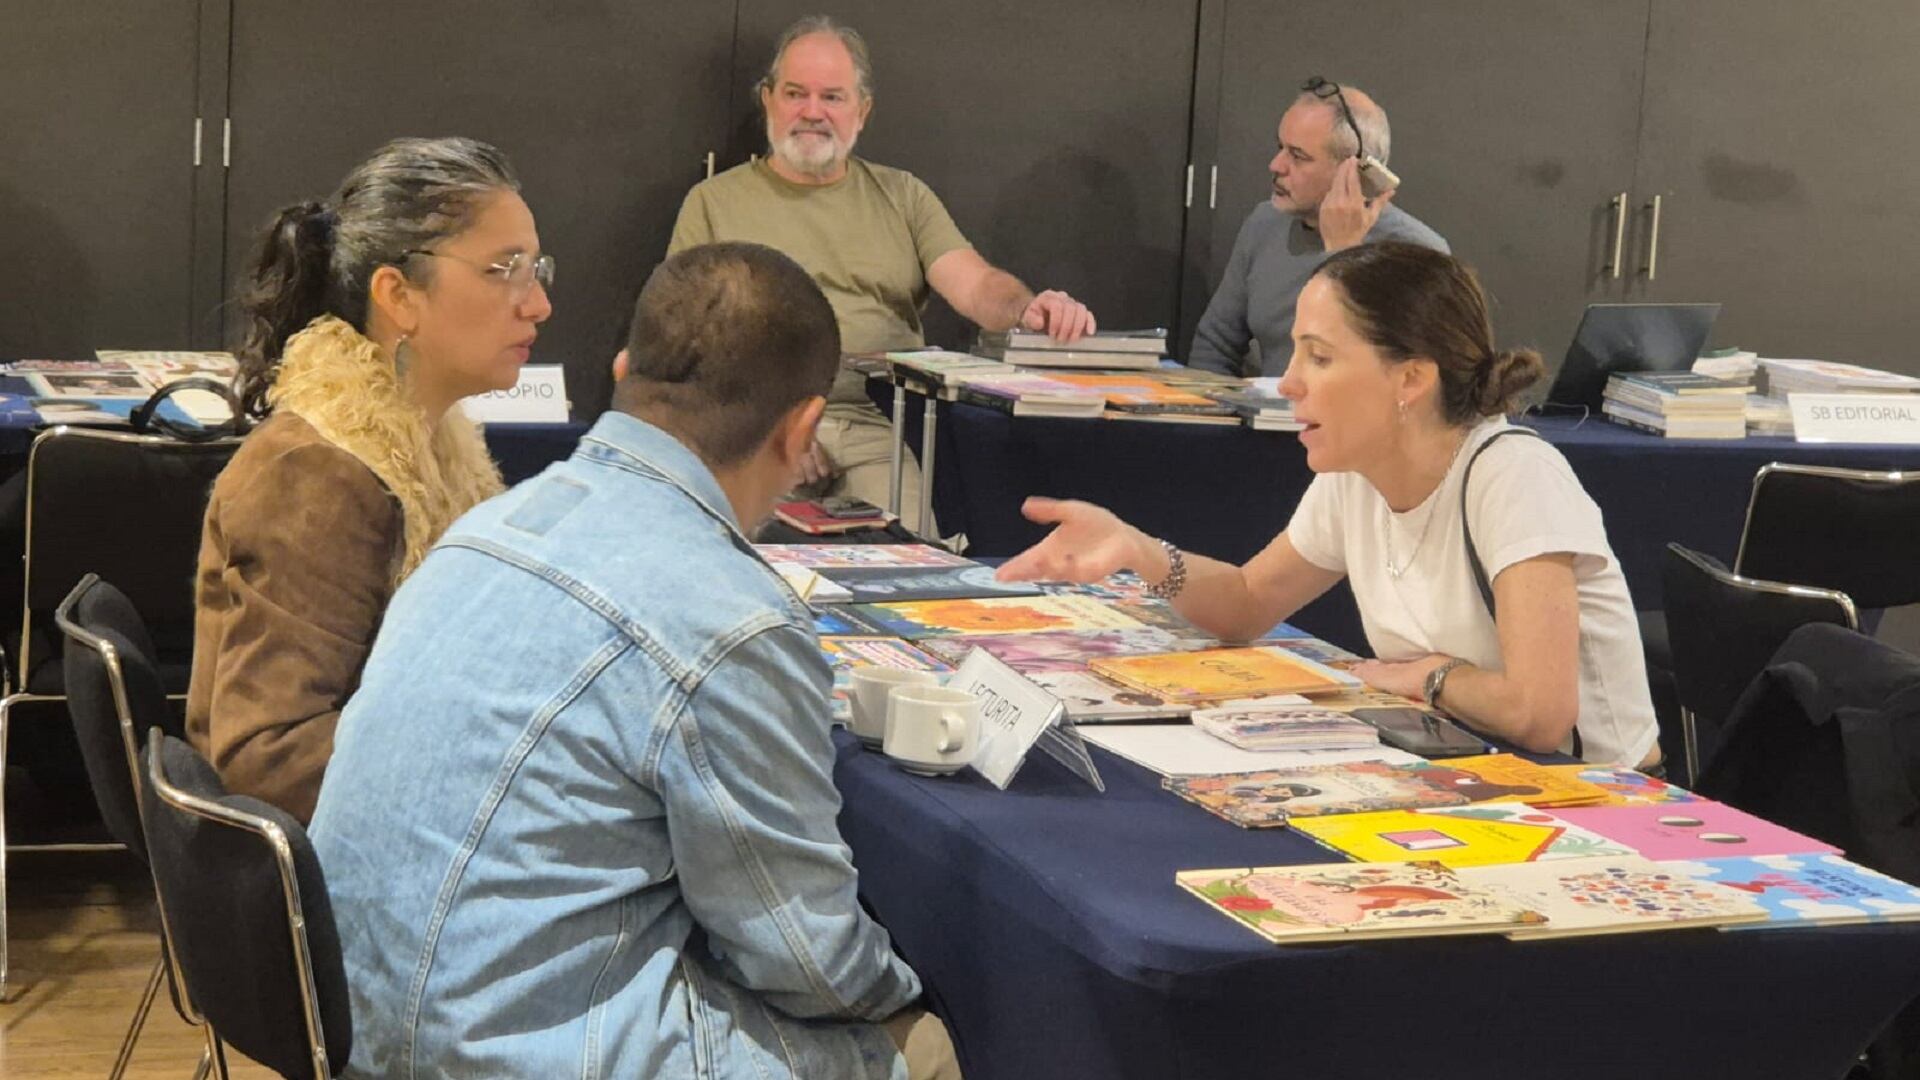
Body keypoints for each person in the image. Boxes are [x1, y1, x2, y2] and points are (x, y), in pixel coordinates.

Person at [310, 242, 961, 1079]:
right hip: (481, 1049)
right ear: (803, 430)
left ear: (623, 370)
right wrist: (928, 989)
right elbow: (804, 958)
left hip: (344, 1018)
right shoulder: (733, 619)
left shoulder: (484, 528)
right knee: (935, 1045)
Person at [1000, 242, 1660, 768]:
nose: (1288, 382)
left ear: (1411, 378)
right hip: (1470, 771)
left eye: (1318, 357)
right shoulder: (1356, 477)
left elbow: (1540, 715)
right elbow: (1246, 603)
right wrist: (1138, 550)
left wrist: (1429, 678)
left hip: (1605, 800)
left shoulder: (1513, 477)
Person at [186, 136, 552, 821]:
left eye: (537, 270)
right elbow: (265, 756)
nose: (537, 305)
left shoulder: (431, 446)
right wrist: (507, 764)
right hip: (348, 885)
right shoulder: (318, 472)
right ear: (398, 295)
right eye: (505, 270)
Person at [669, 15, 1095, 514]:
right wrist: (765, 428)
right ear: (767, 100)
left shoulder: (904, 196)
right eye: (794, 94)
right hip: (757, 435)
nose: (812, 112)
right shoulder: (713, 202)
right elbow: (683, 344)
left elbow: (976, 284)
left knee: (917, 567)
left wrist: (1028, 309)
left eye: (832, 97)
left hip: (884, 431)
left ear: (862, 111)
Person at [1189, 78, 1448, 377]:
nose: (1276, 165)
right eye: (1280, 147)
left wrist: (1343, 251)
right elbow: (1215, 344)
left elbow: (1388, 375)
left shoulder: (1417, 252)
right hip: (1270, 418)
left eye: (1297, 156)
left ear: (1355, 171)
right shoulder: (1264, 224)